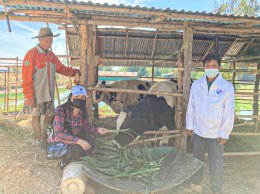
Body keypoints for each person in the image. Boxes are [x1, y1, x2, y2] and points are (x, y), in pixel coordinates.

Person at [186, 53, 235, 194]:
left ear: (219, 67)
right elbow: (191, 105)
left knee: (216, 161)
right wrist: (190, 124)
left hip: (216, 132)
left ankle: (216, 189)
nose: (211, 68)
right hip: (198, 131)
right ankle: (196, 184)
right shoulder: (197, 84)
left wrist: (225, 132)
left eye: (214, 65)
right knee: (197, 159)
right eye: (208, 66)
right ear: (203, 67)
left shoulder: (226, 87)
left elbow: (229, 111)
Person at [22, 27, 81, 141]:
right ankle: (39, 139)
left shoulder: (51, 56)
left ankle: (45, 137)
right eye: (46, 41)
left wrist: (75, 72)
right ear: (39, 39)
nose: (49, 43)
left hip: (49, 94)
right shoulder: (31, 54)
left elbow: (62, 69)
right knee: (36, 116)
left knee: (50, 116)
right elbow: (26, 77)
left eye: (51, 41)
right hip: (36, 94)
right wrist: (29, 96)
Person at [53, 85, 108, 168]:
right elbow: (59, 133)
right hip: (63, 140)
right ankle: (67, 160)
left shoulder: (82, 111)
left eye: (82, 97)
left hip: (75, 136)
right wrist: (79, 141)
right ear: (71, 97)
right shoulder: (61, 110)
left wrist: (97, 130)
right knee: (77, 149)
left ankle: (82, 159)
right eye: (77, 96)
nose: (80, 99)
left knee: (92, 143)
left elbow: (85, 127)